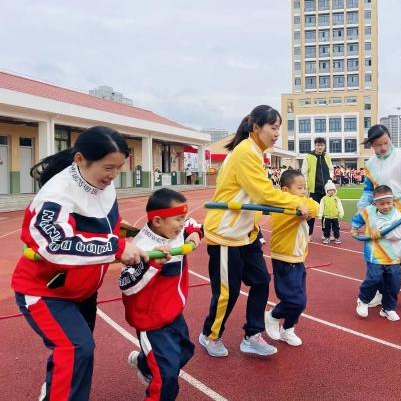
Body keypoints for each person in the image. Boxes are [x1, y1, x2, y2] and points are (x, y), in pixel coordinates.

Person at [11, 126, 148, 401]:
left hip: (82, 290)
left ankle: (54, 390)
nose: (113, 176)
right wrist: (117, 247)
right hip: (45, 291)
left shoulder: (100, 184)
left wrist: (137, 236)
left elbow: (102, 223)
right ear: (80, 160)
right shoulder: (55, 196)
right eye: (109, 167)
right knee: (76, 348)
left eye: (119, 168)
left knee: (76, 354)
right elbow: (57, 244)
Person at [200, 105, 312, 358]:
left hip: (247, 233)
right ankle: (210, 334)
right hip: (226, 234)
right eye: (273, 128)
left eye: (278, 129)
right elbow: (264, 194)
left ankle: (252, 335)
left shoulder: (255, 152)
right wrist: (297, 203)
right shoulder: (245, 153)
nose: (276, 134)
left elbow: (259, 194)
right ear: (256, 128)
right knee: (227, 292)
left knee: (261, 280)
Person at [122, 188, 203, 400]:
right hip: (151, 322)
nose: (183, 224)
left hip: (174, 313)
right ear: (157, 221)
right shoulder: (142, 248)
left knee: (184, 352)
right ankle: (151, 371)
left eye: (183, 218)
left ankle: (143, 362)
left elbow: (194, 223)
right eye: (179, 220)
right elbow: (126, 285)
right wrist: (152, 264)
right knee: (166, 377)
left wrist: (195, 233)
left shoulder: (173, 229)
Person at [357, 124, 401, 310]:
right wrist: (361, 212)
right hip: (381, 218)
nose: (383, 148)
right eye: (378, 145)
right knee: (382, 258)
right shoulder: (370, 164)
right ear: (372, 145)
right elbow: (368, 191)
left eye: (386, 142)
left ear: (390, 138)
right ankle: (380, 292)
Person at [264, 169, 319, 346]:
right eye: (300, 187)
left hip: (298, 260)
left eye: (305, 188)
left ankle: (288, 329)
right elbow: (306, 206)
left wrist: (303, 204)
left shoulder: (298, 204)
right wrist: (299, 204)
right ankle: (272, 315)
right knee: (295, 300)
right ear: (285, 191)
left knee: (300, 302)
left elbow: (316, 207)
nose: (304, 191)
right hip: (285, 260)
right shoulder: (282, 209)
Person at [352, 185, 401, 322]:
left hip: (393, 257)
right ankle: (363, 300)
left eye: (388, 203)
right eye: (381, 203)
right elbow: (358, 219)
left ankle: (388, 308)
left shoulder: (399, 216)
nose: (386, 206)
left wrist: (383, 232)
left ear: (393, 201)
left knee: (394, 283)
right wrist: (354, 228)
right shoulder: (369, 211)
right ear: (375, 203)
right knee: (374, 278)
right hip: (375, 254)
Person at [301, 137, 333, 239]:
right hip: (314, 189)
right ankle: (309, 234)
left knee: (326, 213)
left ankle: (325, 234)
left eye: (322, 145)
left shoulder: (327, 156)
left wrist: (331, 182)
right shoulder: (308, 157)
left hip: (326, 190)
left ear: (324, 146)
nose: (320, 147)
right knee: (312, 212)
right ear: (315, 146)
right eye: (318, 145)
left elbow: (331, 169)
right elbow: (304, 172)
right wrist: (305, 187)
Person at [317, 180, 344, 244]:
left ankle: (337, 238)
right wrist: (320, 214)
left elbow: (339, 206)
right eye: (330, 190)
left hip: (335, 217)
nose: (331, 191)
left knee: (336, 228)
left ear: (335, 191)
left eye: (333, 190)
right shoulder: (324, 199)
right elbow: (321, 207)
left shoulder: (336, 199)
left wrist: (341, 213)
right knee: (326, 228)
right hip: (326, 217)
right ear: (326, 191)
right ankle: (327, 237)